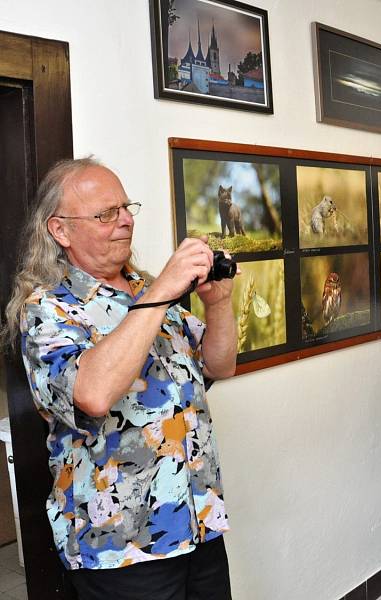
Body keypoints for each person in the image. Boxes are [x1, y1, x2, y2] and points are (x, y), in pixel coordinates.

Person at [2, 158, 238, 600]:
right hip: (120, 547)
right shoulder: (48, 310)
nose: (125, 220)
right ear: (61, 231)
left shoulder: (145, 289)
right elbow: (91, 394)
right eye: (105, 213)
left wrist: (218, 304)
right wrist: (164, 291)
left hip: (197, 521)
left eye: (126, 207)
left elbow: (219, 366)